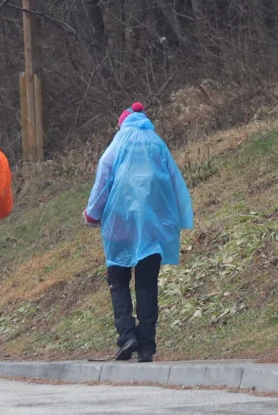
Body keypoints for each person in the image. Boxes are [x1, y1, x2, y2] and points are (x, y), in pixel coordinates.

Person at [84, 102, 194, 363]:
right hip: (152, 228)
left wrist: (91, 214)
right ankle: (146, 345)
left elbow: (104, 182)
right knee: (147, 282)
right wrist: (180, 216)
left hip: (120, 225)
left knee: (118, 279)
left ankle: (126, 335)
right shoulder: (158, 144)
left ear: (122, 123)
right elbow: (175, 182)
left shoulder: (117, 145)